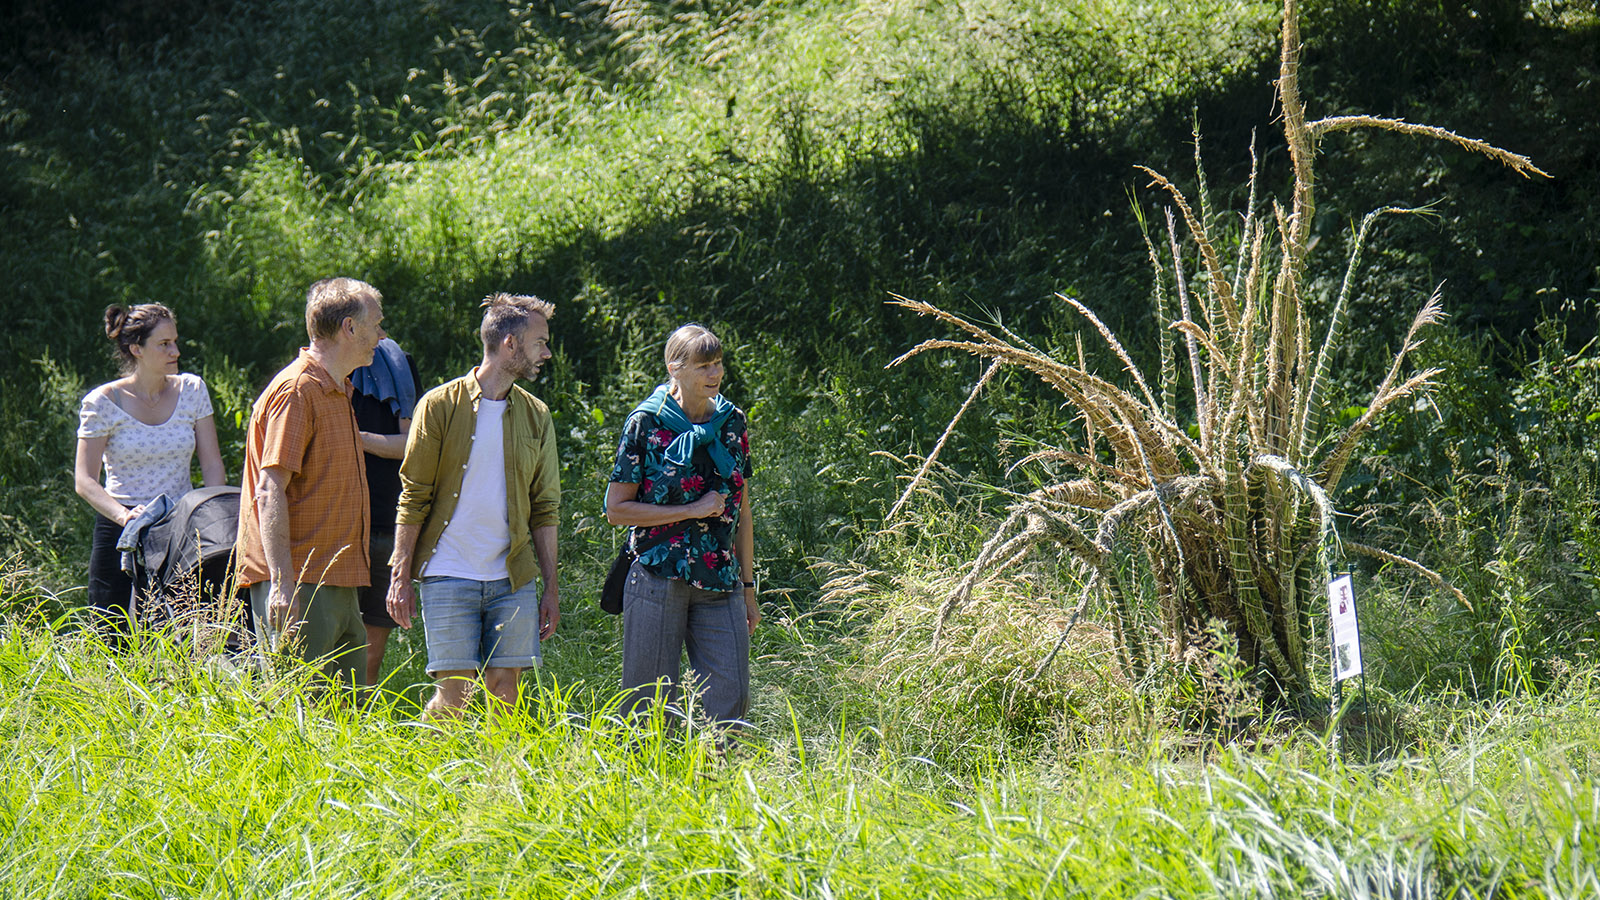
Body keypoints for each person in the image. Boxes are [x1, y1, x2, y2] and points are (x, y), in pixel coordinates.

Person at [385, 292, 561, 715]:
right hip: (448, 574)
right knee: (455, 697)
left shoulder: (537, 416)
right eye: (540, 342)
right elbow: (414, 496)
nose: (547, 353)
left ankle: (496, 782)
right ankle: (428, 775)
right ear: (510, 345)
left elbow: (545, 508)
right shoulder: (439, 406)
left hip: (512, 577)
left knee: (505, 694)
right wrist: (400, 574)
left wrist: (550, 588)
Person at [604, 323, 758, 729]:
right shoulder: (646, 423)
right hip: (658, 575)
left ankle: (717, 784)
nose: (715, 373)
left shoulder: (732, 422)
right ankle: (647, 788)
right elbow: (616, 509)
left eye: (718, 363)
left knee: (731, 697)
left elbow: (742, 509)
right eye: (704, 365)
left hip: (720, 578)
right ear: (675, 368)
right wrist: (692, 510)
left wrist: (748, 587)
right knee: (649, 710)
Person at [234, 277, 385, 688]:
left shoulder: (337, 390)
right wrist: (283, 585)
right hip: (301, 583)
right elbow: (270, 491)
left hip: (338, 579)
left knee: (343, 718)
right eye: (376, 324)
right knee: (299, 715)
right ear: (349, 328)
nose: (382, 335)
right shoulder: (297, 389)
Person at [74, 303, 227, 636]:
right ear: (136, 349)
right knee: (110, 636)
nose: (176, 351)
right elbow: (85, 481)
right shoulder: (102, 402)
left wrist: (211, 515)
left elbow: (212, 464)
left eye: (174, 341)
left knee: (186, 632)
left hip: (182, 523)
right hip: (120, 526)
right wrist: (124, 517)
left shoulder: (192, 390)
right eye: (164, 344)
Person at [350, 337, 421, 687]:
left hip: (385, 522)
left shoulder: (400, 365)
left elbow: (413, 445)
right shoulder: (319, 374)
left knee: (370, 652)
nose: (378, 333)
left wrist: (355, 437)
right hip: (335, 528)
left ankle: (358, 729)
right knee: (327, 645)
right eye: (372, 324)